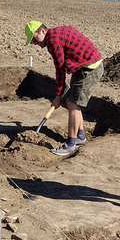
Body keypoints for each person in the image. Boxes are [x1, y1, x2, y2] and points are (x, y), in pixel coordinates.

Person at [25, 21, 103, 156]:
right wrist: (60, 95)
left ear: (42, 31)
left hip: (90, 68)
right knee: (72, 102)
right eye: (32, 41)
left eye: (34, 38)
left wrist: (58, 96)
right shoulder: (55, 34)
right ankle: (80, 136)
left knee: (73, 104)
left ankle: (70, 144)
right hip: (82, 66)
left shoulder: (52, 41)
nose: (34, 43)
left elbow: (60, 70)